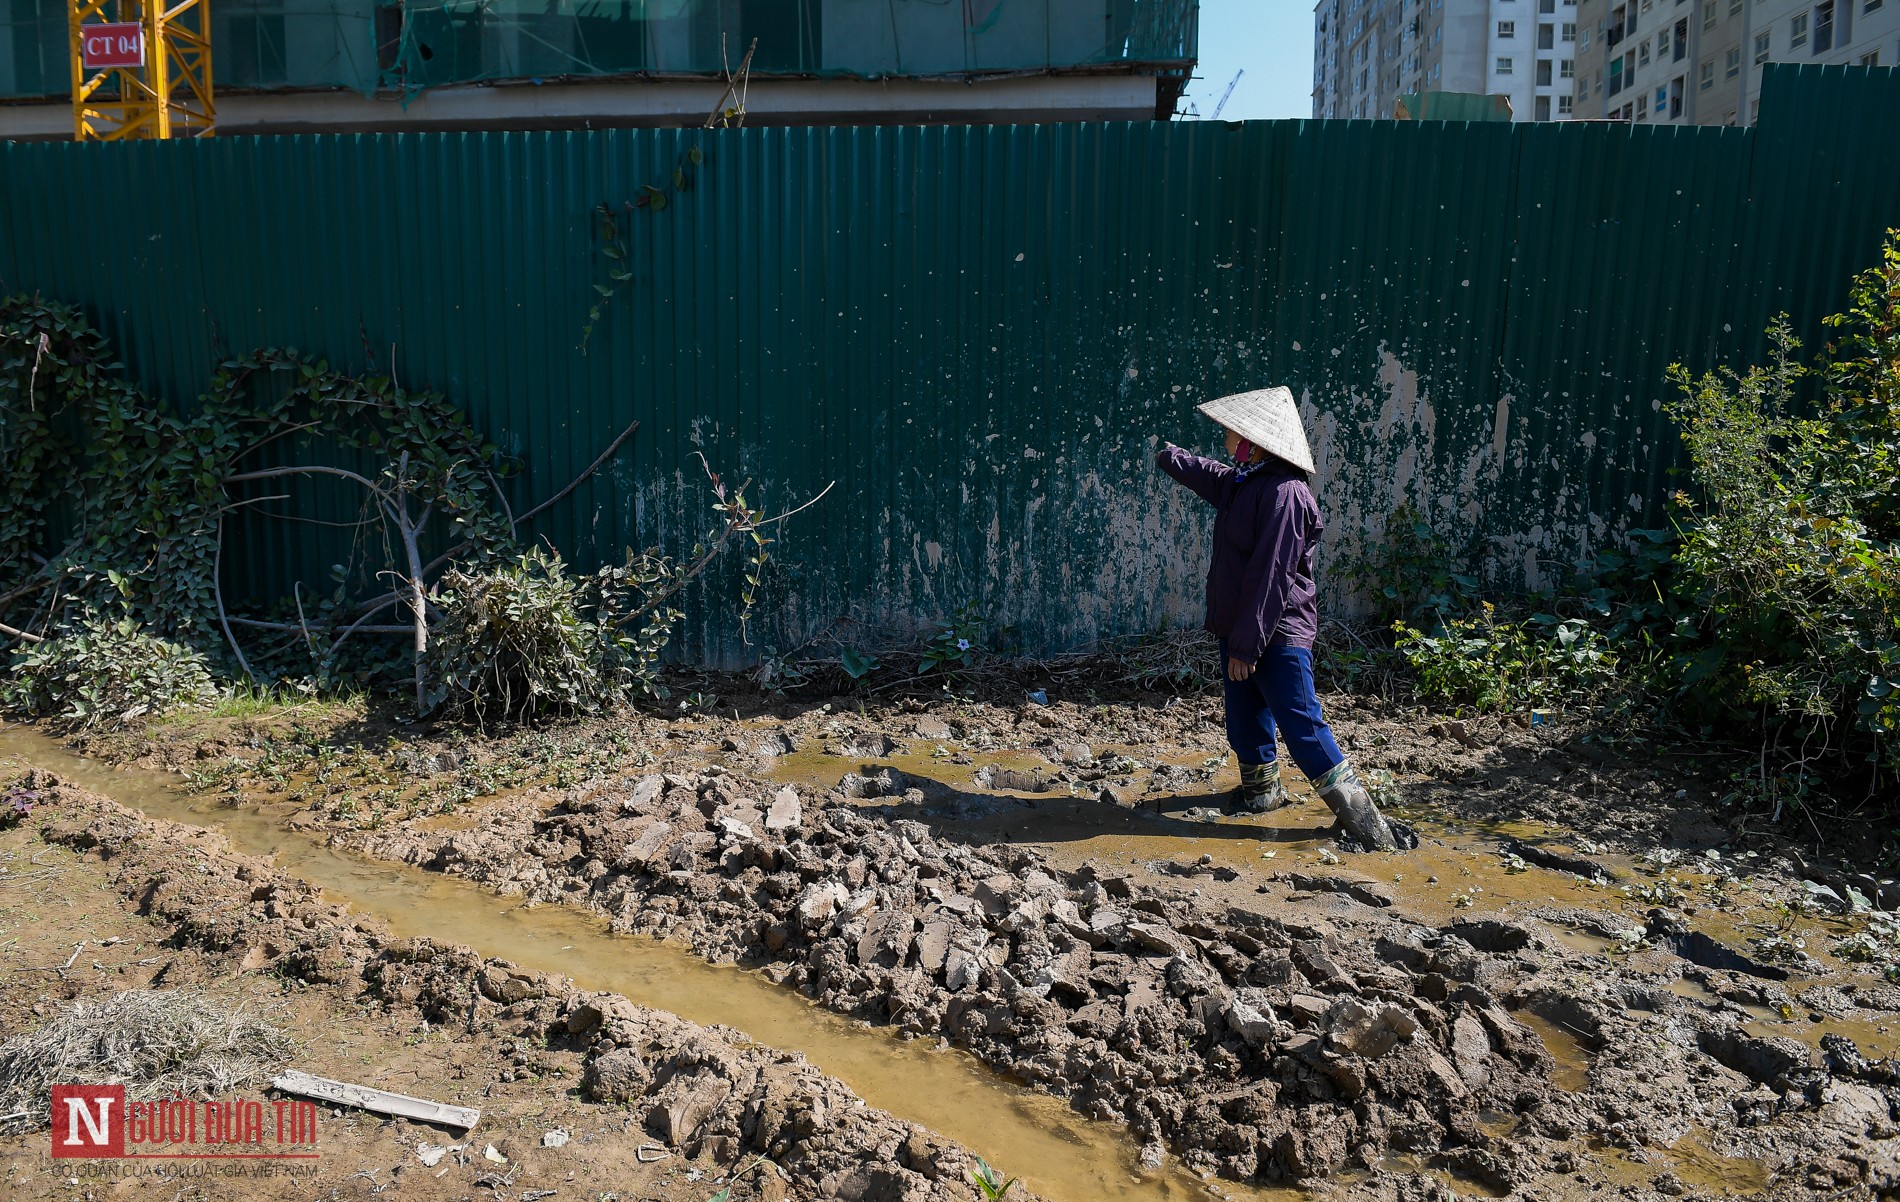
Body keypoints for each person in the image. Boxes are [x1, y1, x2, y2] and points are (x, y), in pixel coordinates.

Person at [1154, 386, 1404, 852]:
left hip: (1277, 632)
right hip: (1241, 627)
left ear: (1256, 442)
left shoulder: (1286, 496)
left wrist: (1248, 647)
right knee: (1245, 720)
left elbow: (1271, 578)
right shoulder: (1245, 482)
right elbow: (1209, 474)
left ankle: (1372, 831)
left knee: (1303, 728)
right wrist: (1171, 457)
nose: (1226, 438)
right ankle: (1262, 797)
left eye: (1232, 432)